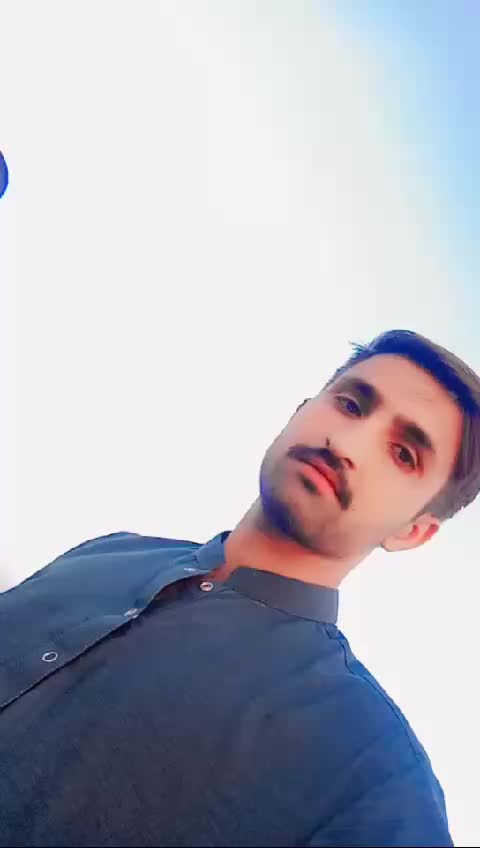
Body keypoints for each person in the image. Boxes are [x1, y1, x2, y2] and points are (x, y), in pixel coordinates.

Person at [2, 329, 479, 847]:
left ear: (414, 532)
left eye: (403, 454)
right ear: (300, 411)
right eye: (350, 405)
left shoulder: (374, 772)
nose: (347, 444)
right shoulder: (106, 553)